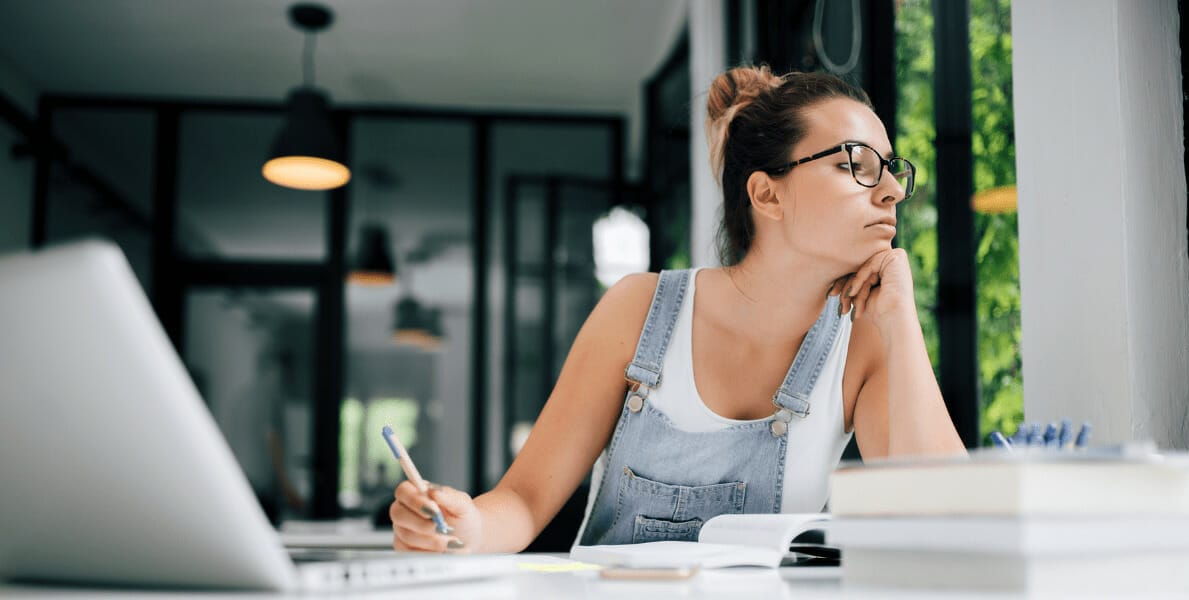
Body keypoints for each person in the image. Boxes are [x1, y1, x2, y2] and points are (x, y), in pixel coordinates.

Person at [390, 65, 966, 553]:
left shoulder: (864, 339)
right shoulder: (638, 310)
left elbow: (951, 525)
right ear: (767, 194)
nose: (890, 189)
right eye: (856, 164)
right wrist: (463, 528)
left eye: (891, 169)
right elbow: (524, 500)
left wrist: (900, 317)